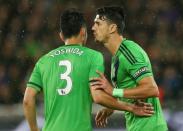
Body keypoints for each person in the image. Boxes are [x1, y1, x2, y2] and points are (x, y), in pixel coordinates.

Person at [23, 8, 154, 131]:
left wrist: (34, 129)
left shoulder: (44, 61)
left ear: (61, 36)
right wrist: (130, 107)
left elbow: (28, 100)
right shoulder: (93, 57)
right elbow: (98, 96)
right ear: (83, 33)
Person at [91, 6, 168, 131]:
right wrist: (110, 108)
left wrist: (113, 92)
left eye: (98, 24)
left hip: (149, 126)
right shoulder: (117, 56)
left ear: (112, 28)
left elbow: (152, 89)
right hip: (138, 126)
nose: (93, 28)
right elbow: (128, 89)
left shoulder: (129, 52)